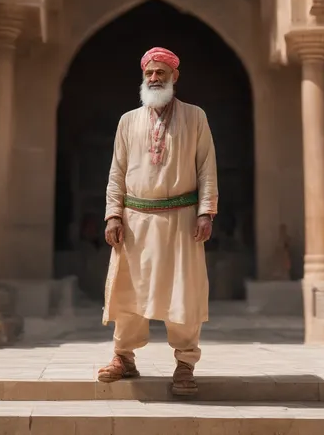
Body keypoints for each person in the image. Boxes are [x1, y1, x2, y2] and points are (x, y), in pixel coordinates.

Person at [98, 46, 218, 396]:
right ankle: (124, 357)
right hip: (135, 222)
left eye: (161, 73)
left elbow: (207, 168)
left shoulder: (196, 117)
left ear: (173, 77)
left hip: (181, 222)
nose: (154, 78)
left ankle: (184, 363)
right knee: (128, 291)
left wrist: (206, 211)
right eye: (149, 73)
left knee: (183, 293)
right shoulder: (128, 121)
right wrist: (113, 215)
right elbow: (116, 172)